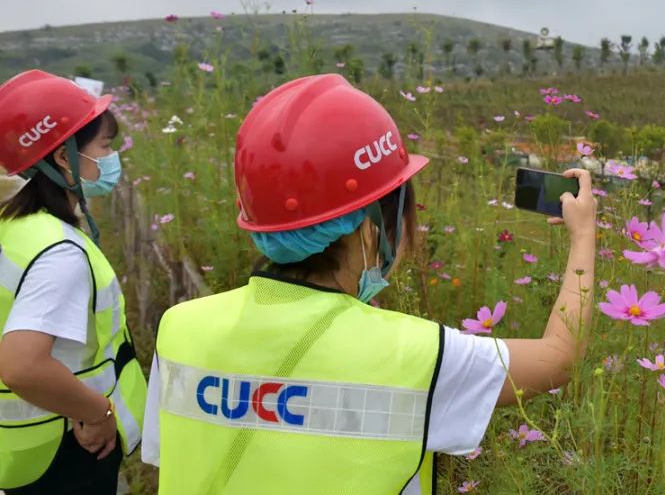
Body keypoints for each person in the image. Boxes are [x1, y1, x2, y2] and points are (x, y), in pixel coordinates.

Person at [142, 74, 597, 494]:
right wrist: (583, 236)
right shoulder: (415, 354)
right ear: (367, 229)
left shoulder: (181, 328)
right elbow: (559, 358)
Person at [0, 70, 148, 494]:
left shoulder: (15, 226)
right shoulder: (58, 253)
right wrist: (97, 413)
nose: (111, 157)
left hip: (25, 450)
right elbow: (22, 365)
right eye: (105, 146)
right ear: (64, 158)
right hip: (68, 446)